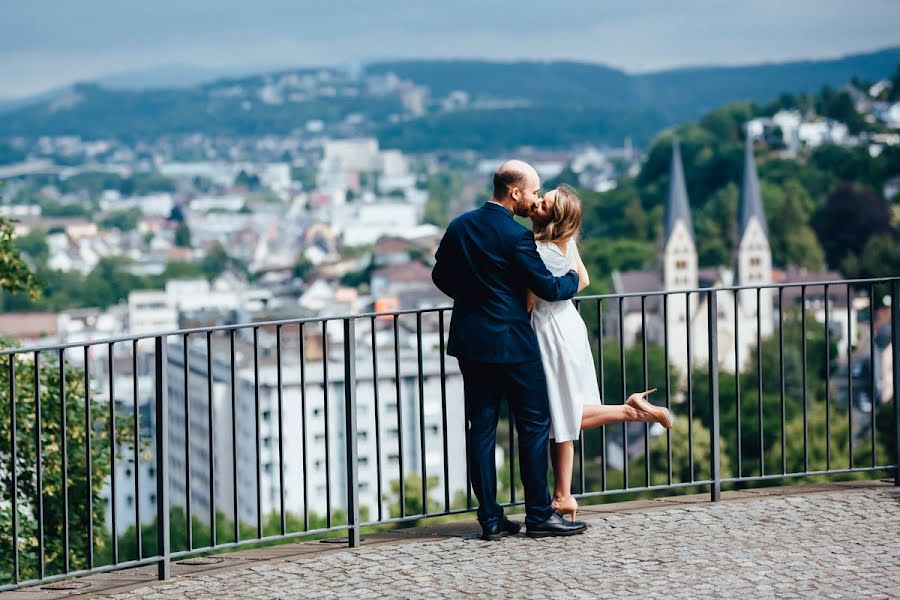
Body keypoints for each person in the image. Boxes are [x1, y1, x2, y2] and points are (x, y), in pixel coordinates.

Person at [432, 160, 588, 539]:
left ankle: (489, 518)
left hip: (472, 342)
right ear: (515, 192)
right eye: (533, 192)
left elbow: (439, 275)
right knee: (533, 426)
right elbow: (548, 289)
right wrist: (571, 277)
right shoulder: (516, 237)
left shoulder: (460, 226)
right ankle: (538, 514)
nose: (534, 199)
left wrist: (472, 299)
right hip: (515, 346)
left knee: (481, 429)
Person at [527, 184, 673, 521]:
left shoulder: (534, 249)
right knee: (565, 414)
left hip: (550, 332)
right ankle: (564, 496)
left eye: (543, 203)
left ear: (553, 216)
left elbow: (528, 299)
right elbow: (585, 280)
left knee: (564, 415)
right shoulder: (566, 241)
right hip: (569, 325)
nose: (536, 203)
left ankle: (630, 412)